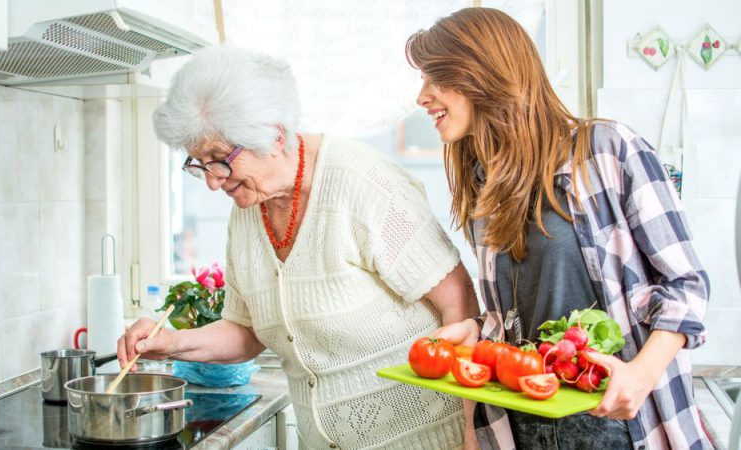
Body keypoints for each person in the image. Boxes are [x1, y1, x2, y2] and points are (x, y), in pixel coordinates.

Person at [117, 44, 479, 449]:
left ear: (274, 136)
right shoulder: (248, 210)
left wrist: (469, 433)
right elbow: (247, 331)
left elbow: (459, 302)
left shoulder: (362, 182)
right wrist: (172, 343)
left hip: (419, 439)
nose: (212, 181)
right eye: (198, 163)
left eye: (219, 159)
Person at [406, 7, 710, 450]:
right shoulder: (482, 183)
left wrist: (640, 376)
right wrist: (477, 330)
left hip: (620, 426)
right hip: (523, 427)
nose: (422, 97)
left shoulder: (607, 151)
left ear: (482, 73)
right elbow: (523, 316)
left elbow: (687, 285)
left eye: (435, 78)